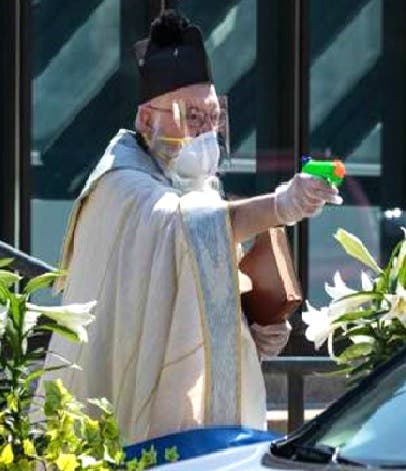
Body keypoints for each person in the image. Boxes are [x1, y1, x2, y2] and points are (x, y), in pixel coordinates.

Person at [40, 10, 341, 444]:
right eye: (192, 117)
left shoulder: (195, 187)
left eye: (213, 118)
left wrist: (250, 333)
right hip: (127, 406)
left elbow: (195, 286)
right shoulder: (119, 184)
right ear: (148, 120)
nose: (207, 132)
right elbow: (187, 231)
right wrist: (281, 205)